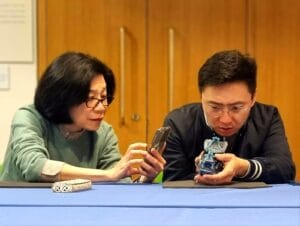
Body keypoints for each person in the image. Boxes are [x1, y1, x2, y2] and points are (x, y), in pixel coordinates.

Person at [0, 52, 165, 183]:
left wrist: (146, 177)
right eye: (91, 99)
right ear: (64, 97)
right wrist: (108, 175)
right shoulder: (29, 117)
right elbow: (35, 167)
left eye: (104, 98)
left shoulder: (103, 132)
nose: (101, 107)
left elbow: (118, 184)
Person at [162, 50, 295, 184]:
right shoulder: (178, 123)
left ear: (253, 98)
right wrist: (205, 172)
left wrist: (244, 168)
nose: (225, 120)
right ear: (201, 96)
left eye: (236, 108)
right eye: (215, 107)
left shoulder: (267, 118)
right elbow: (173, 181)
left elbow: (285, 168)